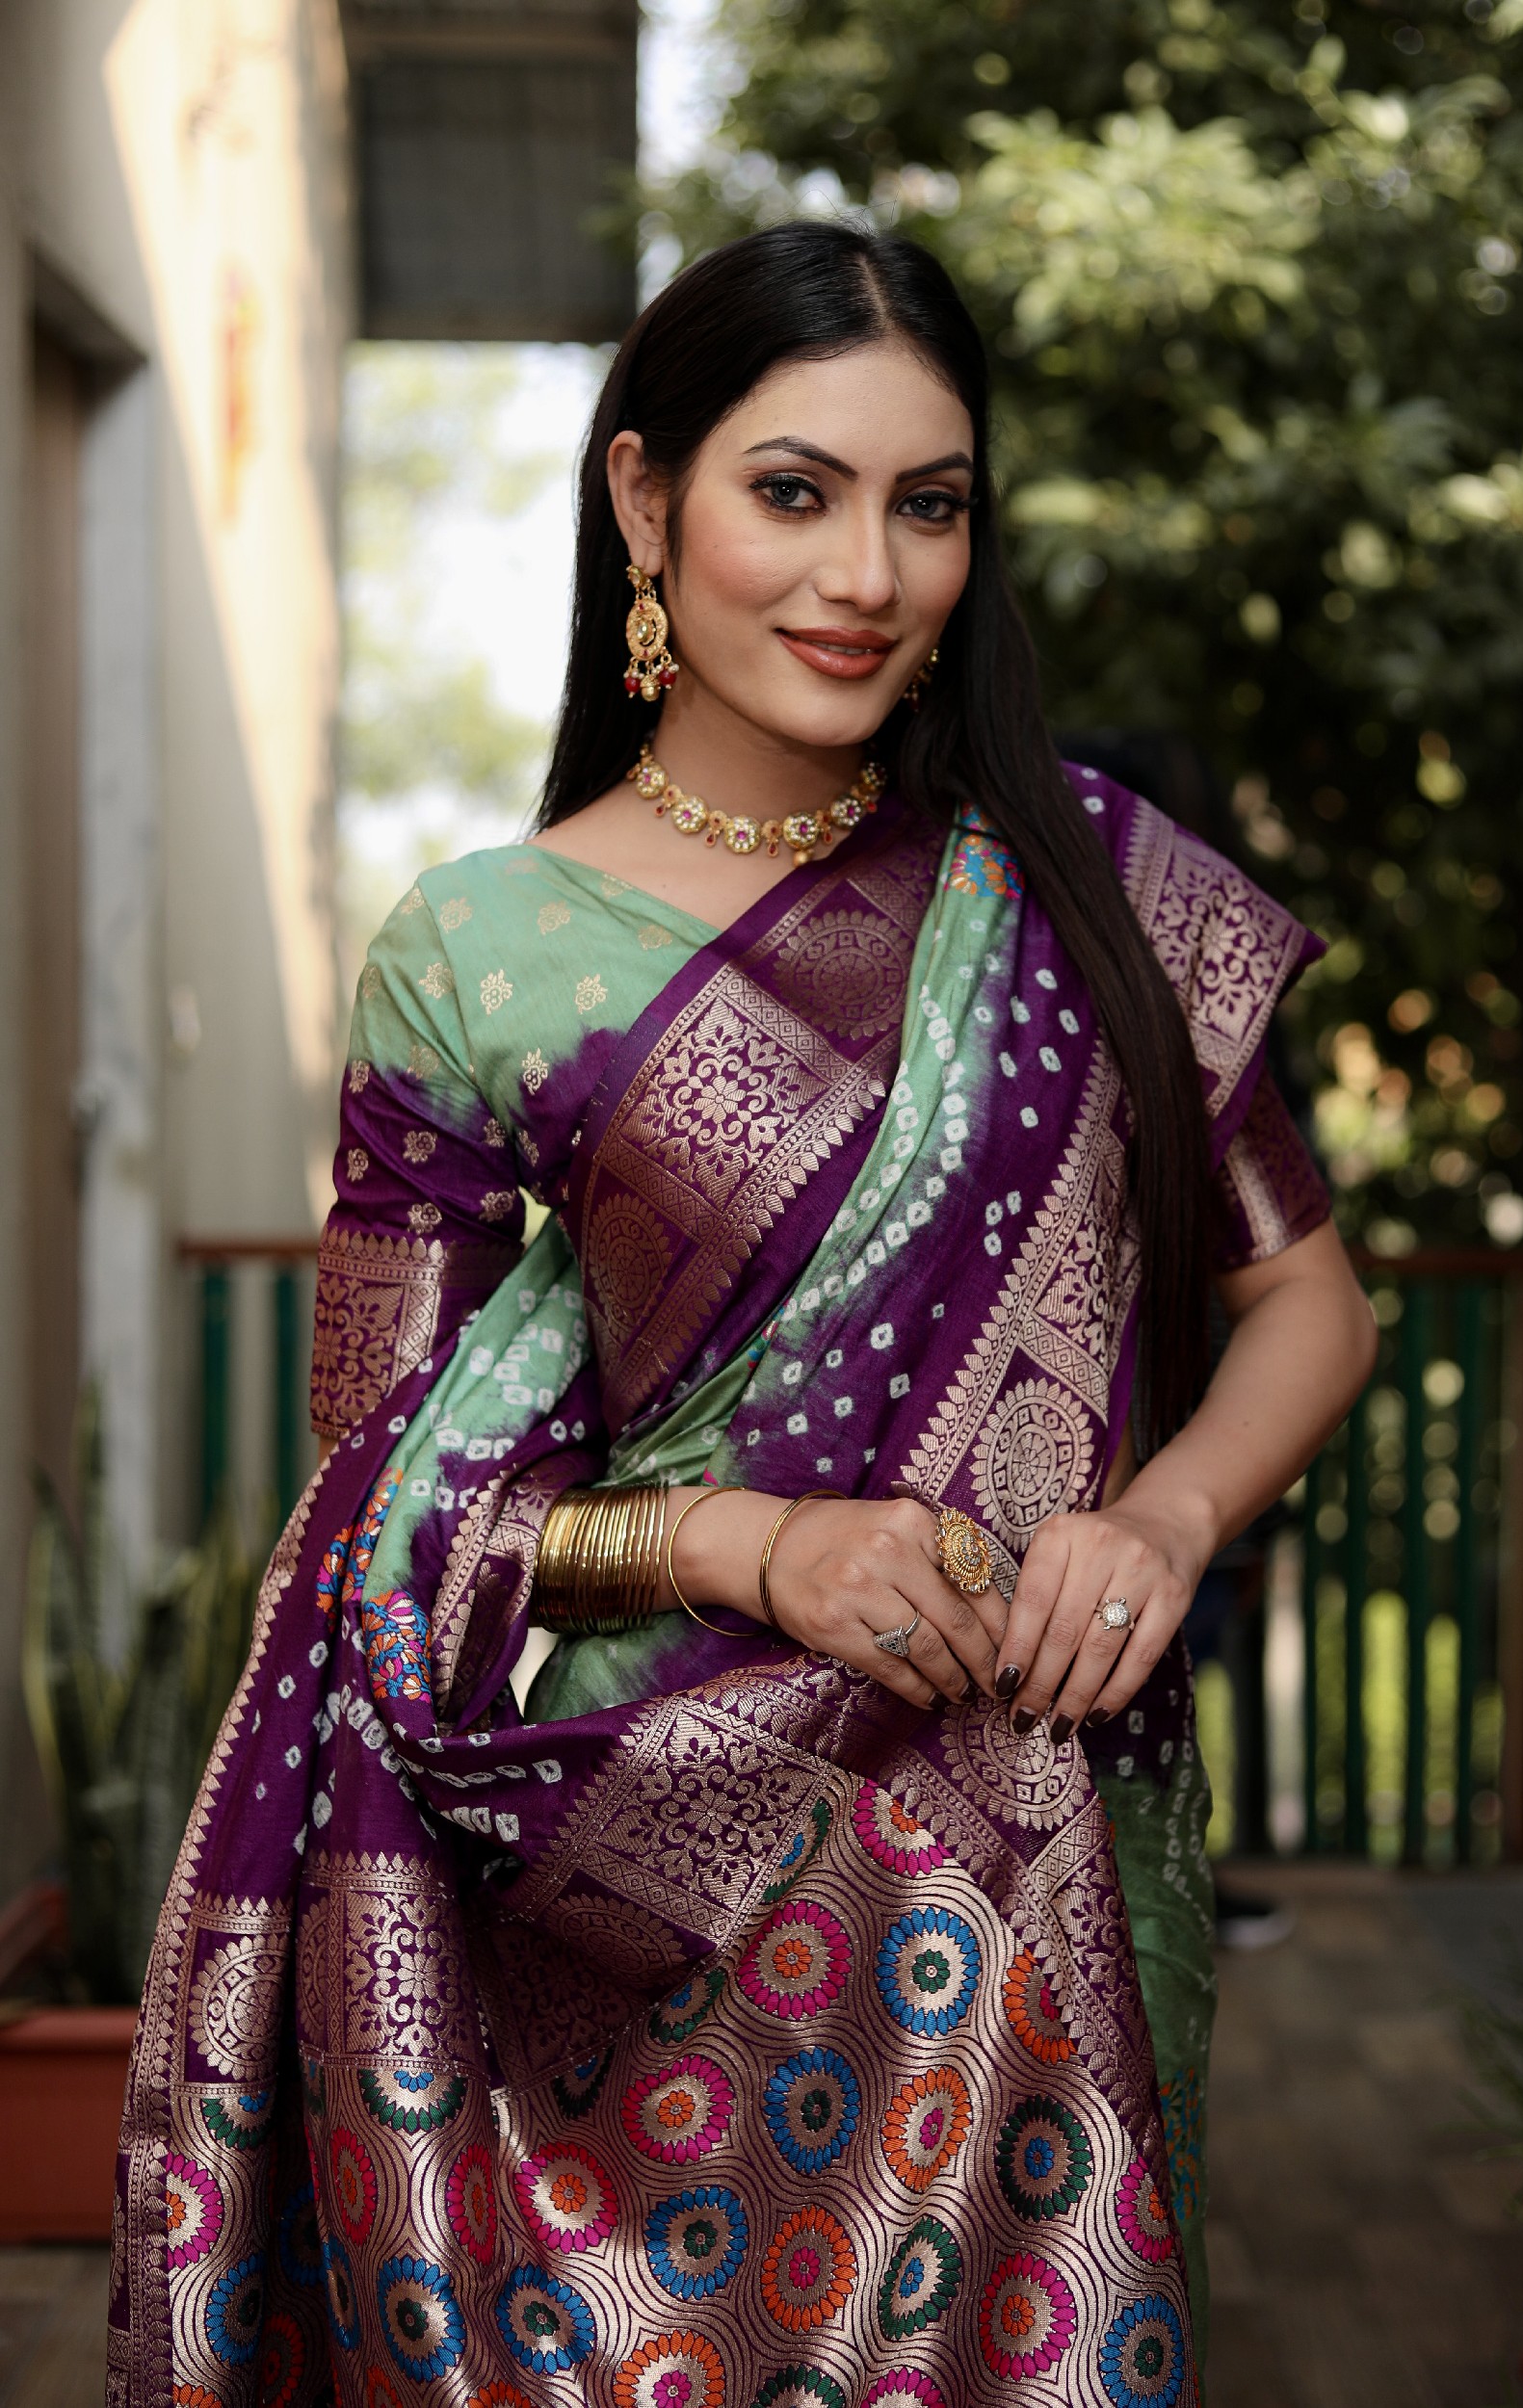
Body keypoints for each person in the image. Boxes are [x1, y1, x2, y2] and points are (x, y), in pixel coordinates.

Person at [109, 223, 1375, 2408]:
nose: (866, 574)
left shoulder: (1083, 885)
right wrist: (745, 1543)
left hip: (1042, 1833)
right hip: (651, 1864)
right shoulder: (478, 954)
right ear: (644, 497)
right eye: (795, 491)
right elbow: (384, 1506)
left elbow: (1309, 1302)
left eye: (928, 503)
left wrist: (1162, 1522)